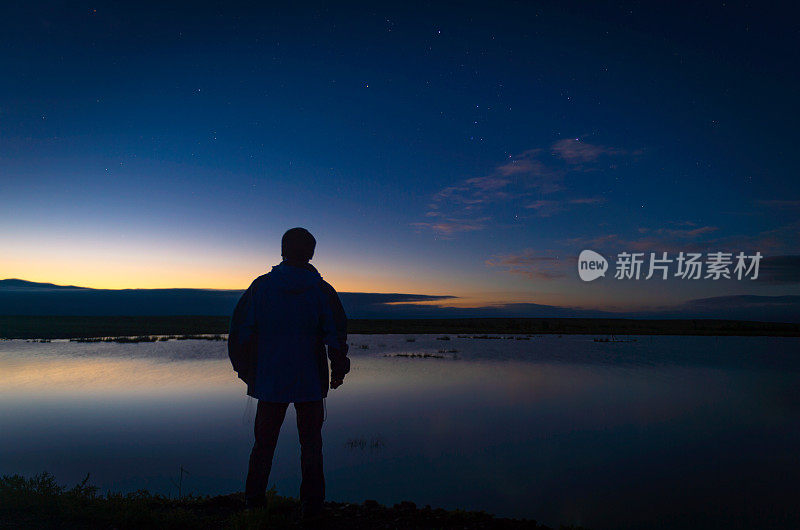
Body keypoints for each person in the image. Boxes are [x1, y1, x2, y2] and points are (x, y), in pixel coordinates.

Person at [228, 227, 349, 519]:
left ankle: (254, 503)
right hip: (309, 383)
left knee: (263, 445)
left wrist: (245, 370)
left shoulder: (262, 287)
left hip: (270, 382)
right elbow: (336, 334)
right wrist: (338, 368)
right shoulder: (322, 290)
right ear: (310, 253)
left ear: (283, 251)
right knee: (311, 445)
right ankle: (312, 506)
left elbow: (239, 332)